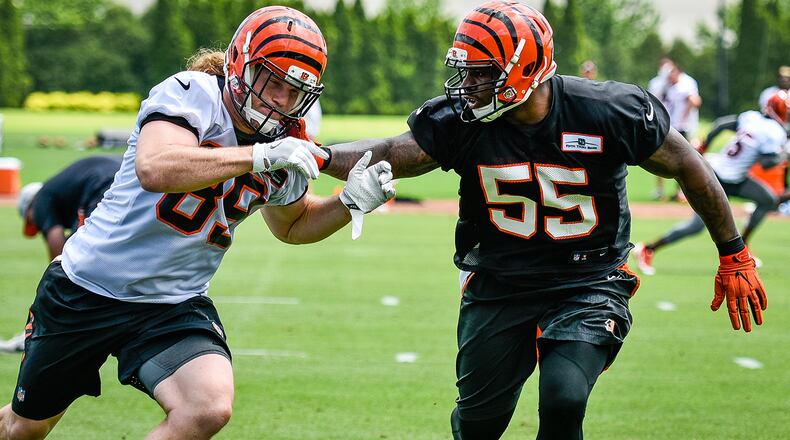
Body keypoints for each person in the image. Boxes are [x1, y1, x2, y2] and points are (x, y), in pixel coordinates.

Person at [317, 2, 768, 439]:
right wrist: (318, 156)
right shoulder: (464, 119)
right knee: (478, 425)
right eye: (466, 69)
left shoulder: (606, 111)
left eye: (483, 71)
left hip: (589, 278)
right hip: (499, 281)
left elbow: (688, 163)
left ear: (526, 69)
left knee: (563, 397)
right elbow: (396, 153)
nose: (468, 84)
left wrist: (734, 253)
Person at [0, 6, 394, 440]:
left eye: (295, 89)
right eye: (273, 80)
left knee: (206, 408)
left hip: (173, 303)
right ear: (241, 65)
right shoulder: (194, 94)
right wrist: (256, 156)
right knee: (25, 428)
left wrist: (348, 203)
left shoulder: (288, 144)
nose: (282, 99)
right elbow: (156, 167)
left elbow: (293, 224)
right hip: (89, 287)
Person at [634, 90, 790, 275]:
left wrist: (705, 145)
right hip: (719, 178)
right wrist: (785, 153)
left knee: (768, 199)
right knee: (696, 226)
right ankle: (648, 248)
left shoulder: (752, 117)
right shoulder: (774, 131)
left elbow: (721, 124)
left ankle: (744, 245)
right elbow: (766, 163)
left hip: (732, 175)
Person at [0, 155, 123, 354]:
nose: (38, 226)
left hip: (102, 187)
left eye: (33, 222)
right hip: (124, 179)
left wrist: (57, 285)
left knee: (73, 273)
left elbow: (57, 245)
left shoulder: (39, 201)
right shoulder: (62, 193)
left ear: (29, 209)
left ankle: (46, 333)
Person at [647, 58, 702, 200]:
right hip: (667, 125)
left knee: (684, 159)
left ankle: (681, 191)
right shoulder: (664, 85)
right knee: (659, 156)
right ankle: (662, 190)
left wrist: (685, 116)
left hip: (682, 127)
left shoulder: (685, 84)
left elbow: (694, 100)